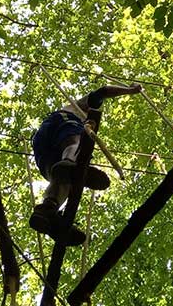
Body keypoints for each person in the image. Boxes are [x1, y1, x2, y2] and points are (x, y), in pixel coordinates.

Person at [29, 83, 142, 246]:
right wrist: (130, 90)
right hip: (61, 121)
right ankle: (69, 162)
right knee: (78, 141)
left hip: (43, 146)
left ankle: (48, 211)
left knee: (61, 179)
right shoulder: (77, 110)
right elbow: (103, 91)